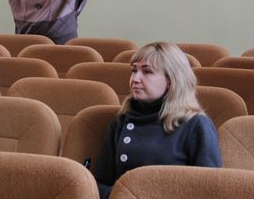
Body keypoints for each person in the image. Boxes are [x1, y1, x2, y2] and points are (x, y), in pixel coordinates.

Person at [93, 42, 221, 199]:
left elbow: (209, 190)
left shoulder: (196, 125)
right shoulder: (121, 121)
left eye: (147, 72)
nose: (135, 79)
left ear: (171, 80)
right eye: (134, 70)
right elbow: (100, 183)